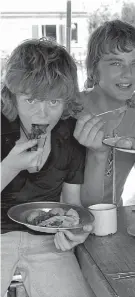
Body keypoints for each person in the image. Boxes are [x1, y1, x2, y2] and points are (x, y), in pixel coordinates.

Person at [1, 39, 94, 297]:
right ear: (13, 96)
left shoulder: (69, 135)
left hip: (48, 242)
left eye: (53, 102)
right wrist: (9, 167)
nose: (42, 114)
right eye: (31, 100)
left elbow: (72, 207)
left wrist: (76, 229)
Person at [74, 20, 135, 205]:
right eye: (116, 63)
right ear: (93, 69)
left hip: (113, 218)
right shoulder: (69, 109)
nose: (128, 74)